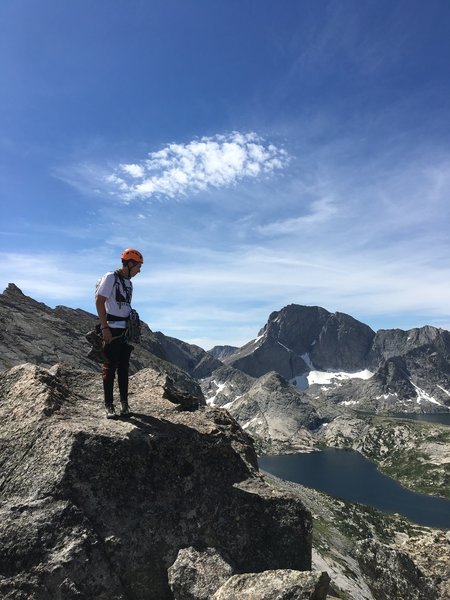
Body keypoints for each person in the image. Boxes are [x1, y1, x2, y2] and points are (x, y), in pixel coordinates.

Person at [95, 248, 144, 419]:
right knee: (110, 366)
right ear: (129, 264)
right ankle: (109, 405)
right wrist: (104, 327)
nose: (139, 270)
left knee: (123, 367)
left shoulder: (129, 283)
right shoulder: (110, 278)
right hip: (112, 327)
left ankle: (124, 403)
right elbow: (99, 301)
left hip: (125, 330)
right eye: (138, 266)